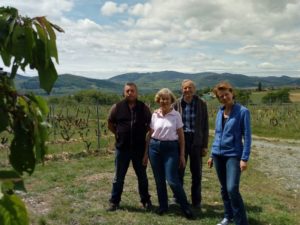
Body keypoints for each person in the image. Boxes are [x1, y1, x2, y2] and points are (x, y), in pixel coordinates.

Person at [143, 88, 194, 219]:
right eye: (161, 98)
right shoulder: (154, 114)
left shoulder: (176, 115)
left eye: (167, 99)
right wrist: (145, 153)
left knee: (172, 179)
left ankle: (185, 207)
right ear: (158, 100)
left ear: (171, 100)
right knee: (159, 180)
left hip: (171, 148)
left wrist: (182, 155)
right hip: (154, 148)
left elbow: (181, 136)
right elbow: (150, 134)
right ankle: (163, 206)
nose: (164, 101)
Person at [207, 81, 251, 225]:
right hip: (218, 155)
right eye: (221, 96)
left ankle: (241, 221)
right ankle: (228, 216)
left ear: (232, 93)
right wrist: (212, 155)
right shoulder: (220, 112)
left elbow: (247, 137)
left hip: (233, 155)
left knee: (232, 188)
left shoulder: (243, 111)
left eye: (226, 94)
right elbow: (217, 135)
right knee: (224, 188)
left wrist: (244, 158)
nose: (224, 98)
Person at [107, 82, 152, 211]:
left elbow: (150, 126)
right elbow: (110, 123)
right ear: (124, 93)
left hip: (139, 149)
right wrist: (118, 133)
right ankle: (114, 201)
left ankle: (146, 200)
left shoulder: (144, 108)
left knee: (142, 177)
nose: (130, 93)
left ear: (136, 93)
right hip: (122, 149)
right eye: (127, 91)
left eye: (132, 90)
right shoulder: (116, 107)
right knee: (118, 177)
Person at [173, 79, 209, 208]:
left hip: (196, 140)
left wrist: (205, 145)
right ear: (181, 89)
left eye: (190, 88)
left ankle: (196, 201)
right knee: (179, 171)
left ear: (194, 89)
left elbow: (205, 125)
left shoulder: (201, 103)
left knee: (197, 173)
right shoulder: (176, 104)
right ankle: (178, 198)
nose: (187, 90)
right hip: (180, 140)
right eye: (185, 88)